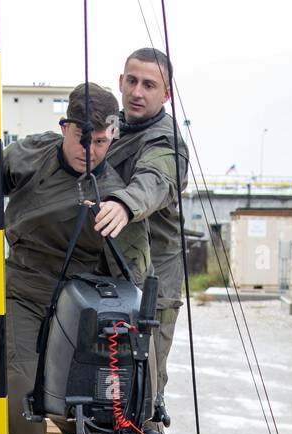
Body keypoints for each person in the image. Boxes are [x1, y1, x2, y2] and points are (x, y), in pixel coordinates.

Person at [0, 83, 151, 434]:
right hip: (25, 287)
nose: (91, 150)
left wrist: (120, 217)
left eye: (103, 141)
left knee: (82, 398)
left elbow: (136, 268)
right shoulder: (33, 153)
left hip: (81, 297)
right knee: (20, 390)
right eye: (81, 139)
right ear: (64, 128)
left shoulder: (116, 188)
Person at [105, 48, 189, 411]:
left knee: (144, 387)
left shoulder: (167, 143)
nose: (138, 92)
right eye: (132, 81)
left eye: (150, 85)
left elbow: (154, 181)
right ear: (121, 82)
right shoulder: (107, 130)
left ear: (166, 94)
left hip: (153, 285)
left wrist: (125, 204)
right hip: (106, 275)